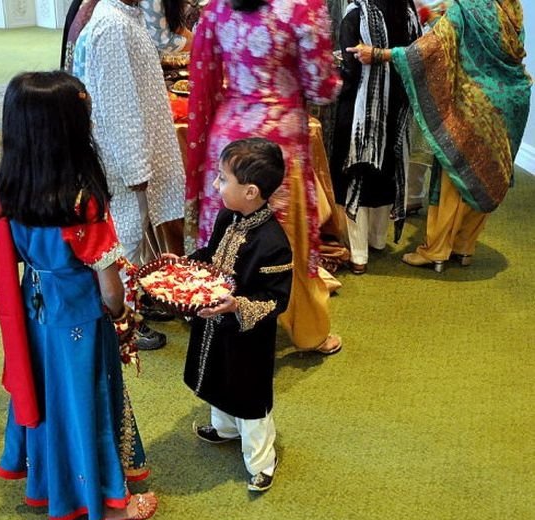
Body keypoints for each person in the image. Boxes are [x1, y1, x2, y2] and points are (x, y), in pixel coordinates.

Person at [0, 71, 157, 520]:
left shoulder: (6, 187)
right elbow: (108, 284)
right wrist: (122, 311)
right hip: (80, 314)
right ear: (69, 128)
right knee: (87, 398)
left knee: (48, 392)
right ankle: (107, 504)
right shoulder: (81, 198)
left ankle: (53, 488)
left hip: (35, 311)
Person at [186, 0, 343, 354]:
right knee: (285, 239)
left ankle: (219, 318)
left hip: (230, 136)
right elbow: (323, 87)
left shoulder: (217, 7)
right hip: (278, 140)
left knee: (227, 235)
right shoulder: (302, 8)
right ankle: (308, 330)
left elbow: (203, 81)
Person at [348, 0, 531, 272]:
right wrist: (432, 15)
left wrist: (378, 54)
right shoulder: (512, 9)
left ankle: (436, 251)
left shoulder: (466, 8)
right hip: (510, 104)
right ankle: (464, 247)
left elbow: (429, 49)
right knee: (484, 176)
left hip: (474, 105)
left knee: (453, 179)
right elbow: (476, 45)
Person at [73, 0, 186, 350]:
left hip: (134, 155)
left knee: (136, 236)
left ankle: (137, 303)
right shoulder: (112, 25)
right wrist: (135, 167)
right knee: (126, 239)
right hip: (124, 162)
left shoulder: (126, 17)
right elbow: (115, 107)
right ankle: (126, 322)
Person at [183, 138, 293, 492]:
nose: (216, 185)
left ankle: (262, 460)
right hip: (216, 325)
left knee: (249, 398)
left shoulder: (273, 242)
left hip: (248, 337)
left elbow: (276, 299)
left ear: (251, 192)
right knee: (217, 378)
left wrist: (236, 306)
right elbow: (213, 255)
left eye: (222, 179)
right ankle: (225, 428)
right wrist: (187, 265)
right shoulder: (227, 216)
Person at [330, 0, 421, 275]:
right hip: (398, 108)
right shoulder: (408, 13)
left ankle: (359, 254)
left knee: (355, 174)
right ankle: (378, 239)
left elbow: (349, 69)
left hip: (361, 113)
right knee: (386, 170)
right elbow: (417, 58)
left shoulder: (356, 12)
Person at [61, 0, 192, 73]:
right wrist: (199, 44)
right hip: (105, 38)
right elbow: (161, 40)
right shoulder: (113, 23)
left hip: (105, 29)